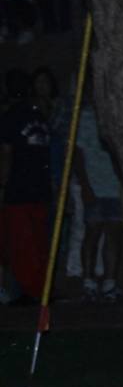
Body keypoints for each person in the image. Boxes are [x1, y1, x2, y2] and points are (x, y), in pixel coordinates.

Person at [0, 72, 51, 302]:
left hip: (20, 189)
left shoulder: (13, 117)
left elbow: (7, 153)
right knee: (35, 241)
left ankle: (32, 291)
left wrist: (4, 182)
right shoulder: (36, 116)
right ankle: (36, 288)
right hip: (37, 187)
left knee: (25, 243)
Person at [72, 93, 123, 302]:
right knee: (92, 231)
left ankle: (109, 282)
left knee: (114, 233)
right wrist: (85, 185)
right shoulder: (84, 118)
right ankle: (88, 281)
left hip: (115, 186)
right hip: (94, 184)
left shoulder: (116, 114)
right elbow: (78, 154)